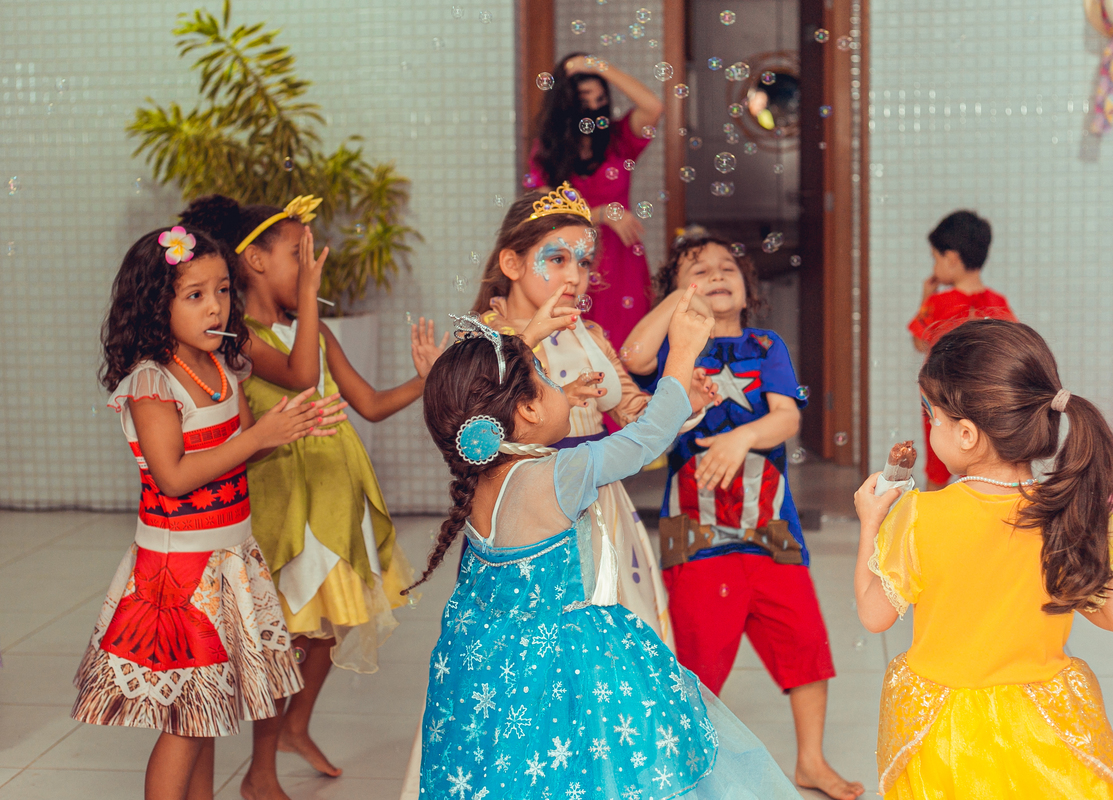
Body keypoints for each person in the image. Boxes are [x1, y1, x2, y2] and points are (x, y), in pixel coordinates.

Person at [411, 281, 801, 798]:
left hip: (498, 665)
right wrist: (680, 355)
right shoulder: (559, 472)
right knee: (598, 765)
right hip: (567, 663)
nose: (560, 389)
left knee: (529, 771)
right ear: (525, 411)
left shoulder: (481, 478)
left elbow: (500, 396)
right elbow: (646, 438)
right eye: (548, 381)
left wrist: (528, 341)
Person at [178, 195, 445, 779]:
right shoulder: (237, 338)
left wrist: (425, 380)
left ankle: (295, 728)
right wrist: (305, 302)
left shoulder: (313, 330)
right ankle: (261, 772)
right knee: (290, 635)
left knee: (328, 630)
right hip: (284, 501)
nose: (310, 268)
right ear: (253, 261)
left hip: (332, 496)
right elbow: (299, 377)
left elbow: (370, 405)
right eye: (298, 255)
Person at [73, 226, 344, 800]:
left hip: (227, 560)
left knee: (207, 711)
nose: (216, 305)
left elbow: (238, 451)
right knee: (185, 723)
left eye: (222, 290)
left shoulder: (222, 366)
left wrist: (289, 428)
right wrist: (257, 438)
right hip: (180, 572)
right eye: (194, 294)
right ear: (156, 304)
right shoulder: (153, 383)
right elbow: (172, 477)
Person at [854, 318, 1113, 799]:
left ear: (966, 434)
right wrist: (1086, 531)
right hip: (1045, 728)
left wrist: (870, 523)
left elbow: (872, 615)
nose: (930, 430)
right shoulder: (1070, 515)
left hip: (947, 738)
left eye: (933, 418)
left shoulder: (921, 515)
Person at [623, 235, 860, 800]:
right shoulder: (679, 349)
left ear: (749, 286)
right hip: (695, 525)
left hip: (768, 520)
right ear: (679, 292)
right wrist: (676, 303)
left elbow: (785, 420)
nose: (715, 274)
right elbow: (633, 358)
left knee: (803, 637)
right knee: (700, 651)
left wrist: (739, 439)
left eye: (728, 266)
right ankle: (693, 767)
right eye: (697, 270)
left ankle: (810, 761)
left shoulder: (766, 344)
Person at [473, 185, 698, 646]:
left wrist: (686, 399)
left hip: (603, 507)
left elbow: (634, 414)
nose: (574, 275)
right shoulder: (481, 340)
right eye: (556, 259)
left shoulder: (590, 334)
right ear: (512, 264)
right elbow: (476, 431)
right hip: (528, 513)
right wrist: (530, 342)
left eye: (583, 261)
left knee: (605, 648)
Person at [527, 52, 664, 348]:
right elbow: (544, 209)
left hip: (621, 261)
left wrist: (601, 66)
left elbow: (653, 106)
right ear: (565, 102)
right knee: (573, 347)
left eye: (600, 98)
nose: (593, 106)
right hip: (570, 259)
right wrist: (599, 214)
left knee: (626, 349)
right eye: (584, 99)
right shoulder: (547, 150)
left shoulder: (618, 140)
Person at [907, 210, 1016, 490]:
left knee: (938, 471)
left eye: (935, 258)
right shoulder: (998, 302)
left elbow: (920, 342)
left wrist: (926, 298)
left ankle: (933, 527)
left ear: (952, 259)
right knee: (987, 468)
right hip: (986, 404)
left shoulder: (940, 302)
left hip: (941, 402)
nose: (934, 266)